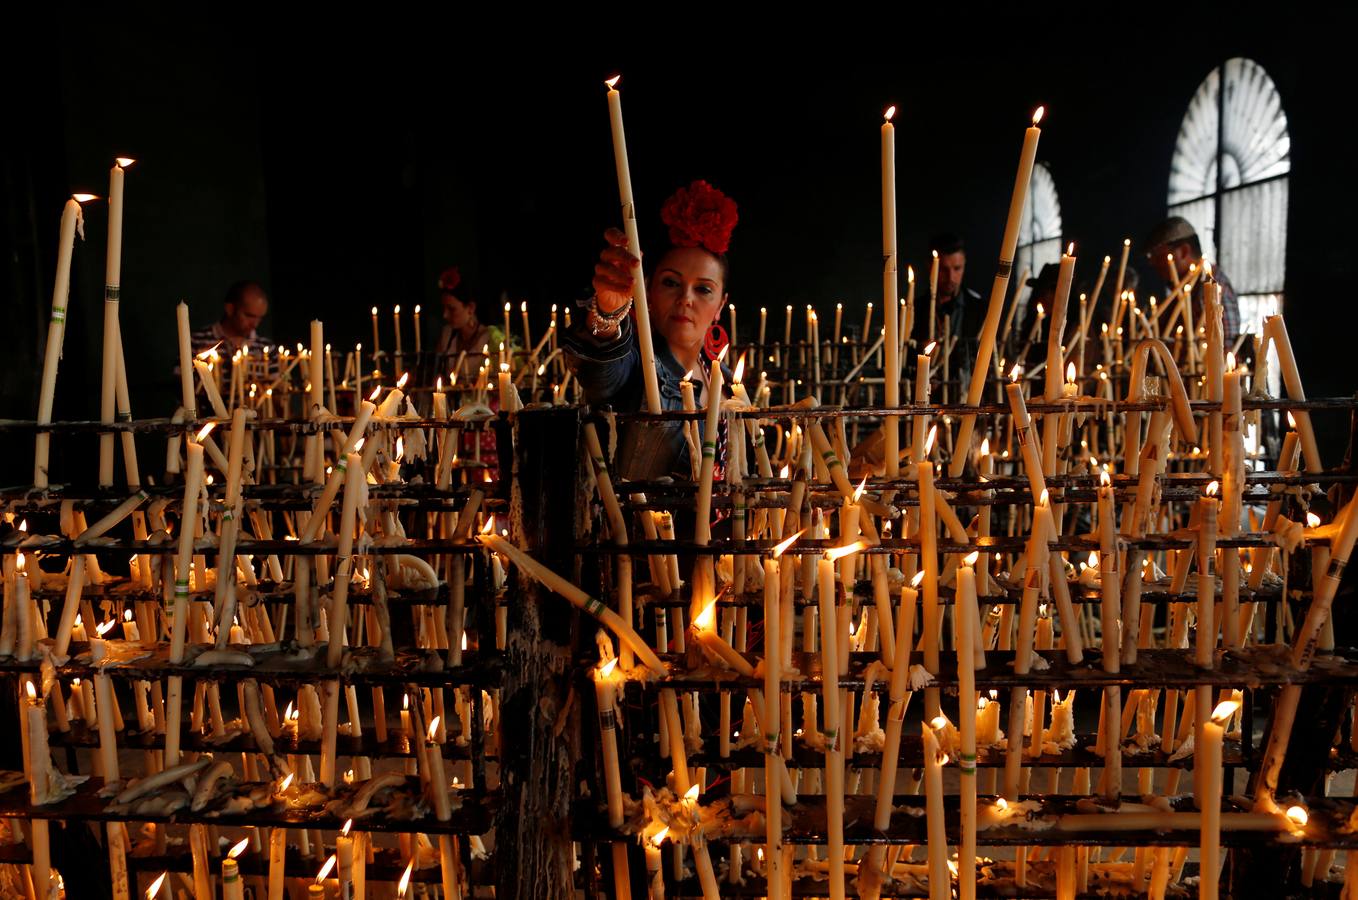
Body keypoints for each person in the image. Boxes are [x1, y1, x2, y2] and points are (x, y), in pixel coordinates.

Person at [565, 180, 738, 481]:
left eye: (703, 289)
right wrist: (606, 313)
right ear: (647, 289)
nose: (686, 299)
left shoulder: (727, 381)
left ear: (721, 304)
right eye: (671, 283)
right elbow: (601, 369)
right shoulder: (637, 367)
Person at [1144, 216, 1241, 342]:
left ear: (1183, 251)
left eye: (1157, 256)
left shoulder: (1213, 288)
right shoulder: (1181, 288)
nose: (1153, 263)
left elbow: (1225, 348)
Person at [434, 267, 492, 376]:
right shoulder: (446, 336)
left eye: (451, 309)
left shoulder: (487, 339)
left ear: (470, 308)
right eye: (444, 308)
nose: (445, 315)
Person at [191, 280, 273, 357]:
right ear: (230, 309)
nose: (255, 324)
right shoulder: (196, 341)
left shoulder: (267, 348)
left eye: (260, 318)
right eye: (249, 316)